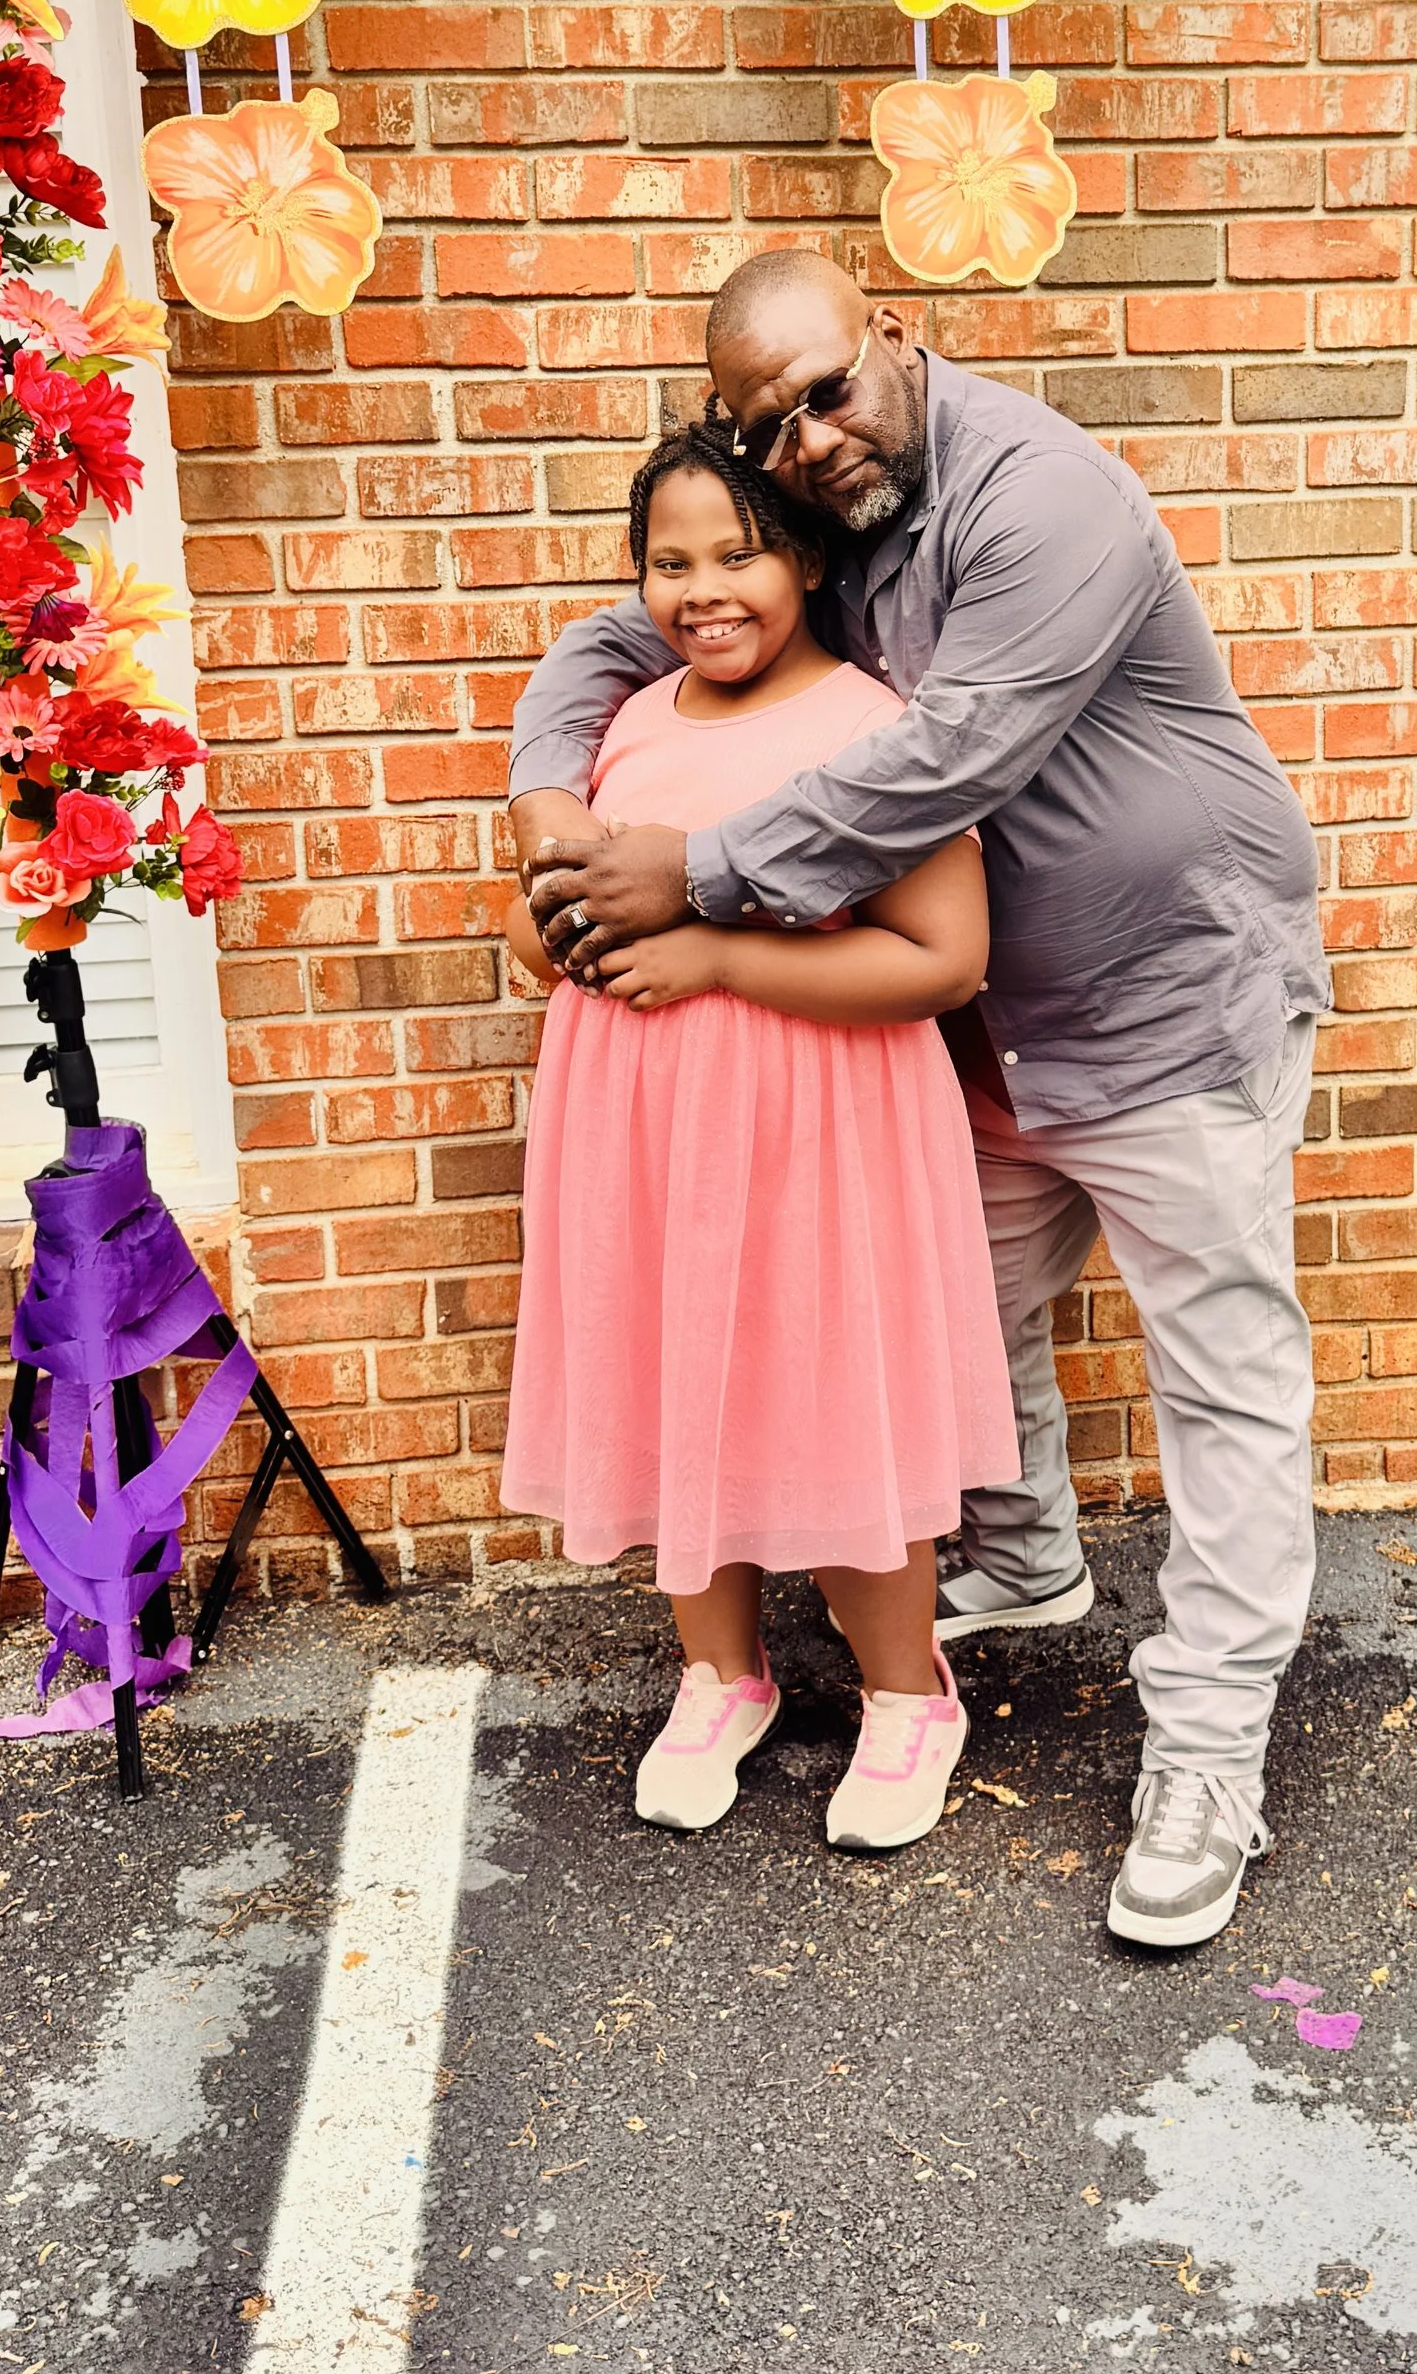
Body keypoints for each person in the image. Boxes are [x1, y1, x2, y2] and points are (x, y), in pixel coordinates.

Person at [511, 248, 1330, 1951]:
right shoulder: (837, 507)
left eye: (828, 390)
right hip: (987, 1038)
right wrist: (539, 791)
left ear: (896, 329)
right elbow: (616, 629)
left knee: (1225, 1385)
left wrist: (700, 882)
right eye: (769, 424)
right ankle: (1024, 1555)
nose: (809, 438)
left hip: (1172, 998)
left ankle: (1207, 1754)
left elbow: (948, 758)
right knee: (946, 1300)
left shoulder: (1045, 499)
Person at [502, 418, 1019, 1852]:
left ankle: (908, 1694)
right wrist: (556, 916)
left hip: (820, 1132)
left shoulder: (868, 728)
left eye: (740, 552)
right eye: (669, 562)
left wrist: (721, 959)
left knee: (835, 1395)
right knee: (682, 1390)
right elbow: (544, 913)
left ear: (805, 555)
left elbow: (944, 960)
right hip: (647, 1133)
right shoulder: (625, 722)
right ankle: (721, 1674)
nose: (704, 588)